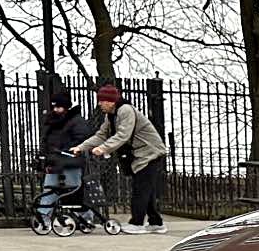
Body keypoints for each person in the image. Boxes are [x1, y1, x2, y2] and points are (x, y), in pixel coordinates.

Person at [75, 82, 170, 233]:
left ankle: (137, 223)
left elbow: (123, 135)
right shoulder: (111, 115)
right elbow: (101, 135)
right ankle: (156, 223)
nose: (99, 104)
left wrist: (103, 148)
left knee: (140, 189)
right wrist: (81, 147)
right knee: (147, 190)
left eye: (101, 101)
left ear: (110, 101)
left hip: (151, 153)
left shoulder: (125, 110)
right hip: (141, 154)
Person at [36, 86, 98, 225]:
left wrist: (68, 150)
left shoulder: (76, 121)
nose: (56, 110)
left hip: (70, 161)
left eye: (59, 107)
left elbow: (83, 138)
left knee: (71, 189)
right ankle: (43, 216)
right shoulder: (53, 121)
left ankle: (85, 215)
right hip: (55, 160)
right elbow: (46, 140)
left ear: (66, 107)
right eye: (54, 107)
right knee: (50, 188)